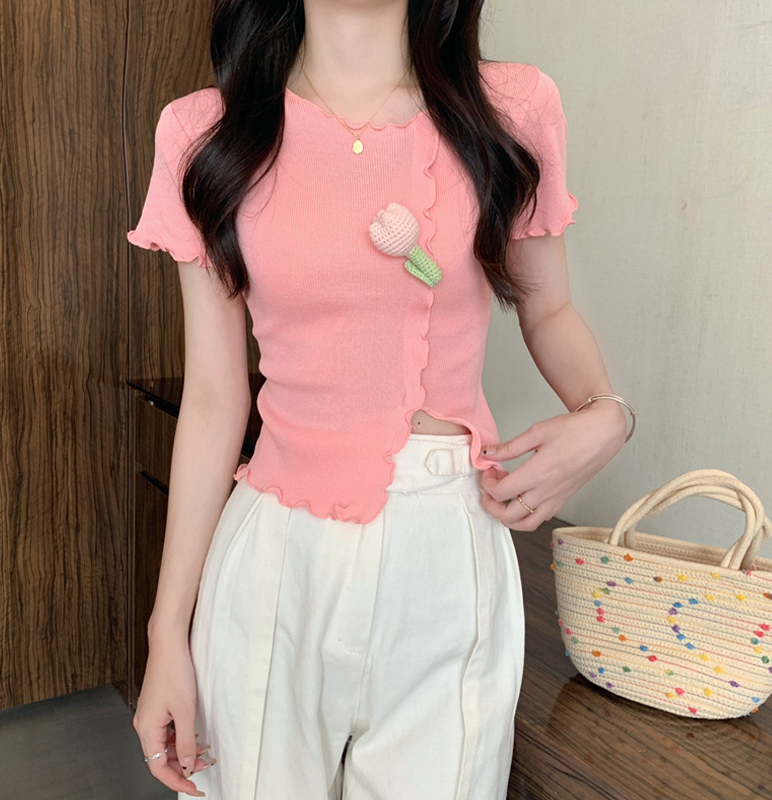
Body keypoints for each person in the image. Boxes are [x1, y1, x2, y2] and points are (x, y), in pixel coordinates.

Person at [126, 1, 635, 798]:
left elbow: (550, 309)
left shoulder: (513, 108)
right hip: (274, 558)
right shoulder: (203, 133)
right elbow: (217, 400)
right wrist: (168, 637)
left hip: (448, 556)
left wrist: (608, 412)